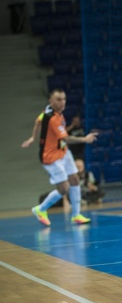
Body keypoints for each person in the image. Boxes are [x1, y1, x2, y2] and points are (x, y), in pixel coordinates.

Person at [21, 89, 98, 226]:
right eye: (59, 99)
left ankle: (76, 215)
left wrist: (34, 137)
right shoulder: (53, 119)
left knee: (74, 179)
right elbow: (67, 138)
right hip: (51, 157)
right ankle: (41, 209)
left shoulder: (49, 111)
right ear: (51, 101)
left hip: (62, 151)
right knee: (63, 189)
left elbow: (37, 121)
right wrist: (85, 139)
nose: (62, 102)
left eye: (64, 99)